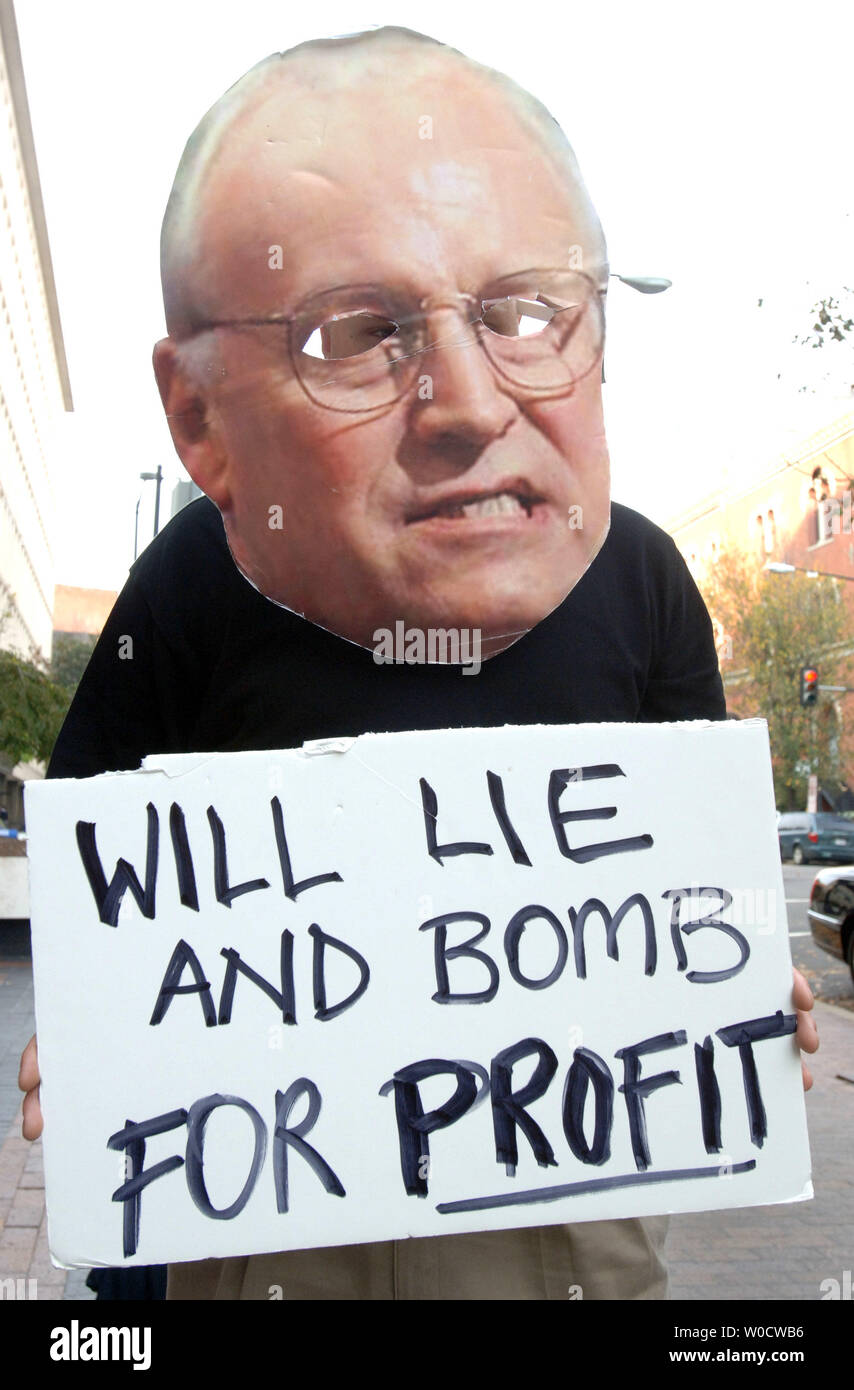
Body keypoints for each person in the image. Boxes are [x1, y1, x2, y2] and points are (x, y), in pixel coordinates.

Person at [19, 26, 819, 1300]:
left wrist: (733, 985)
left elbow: (689, 888)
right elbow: (93, 877)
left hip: (568, 1229)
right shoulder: (186, 587)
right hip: (276, 1231)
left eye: (526, 313)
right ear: (199, 423)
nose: (467, 401)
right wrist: (97, 1024)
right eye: (357, 335)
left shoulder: (644, 581)